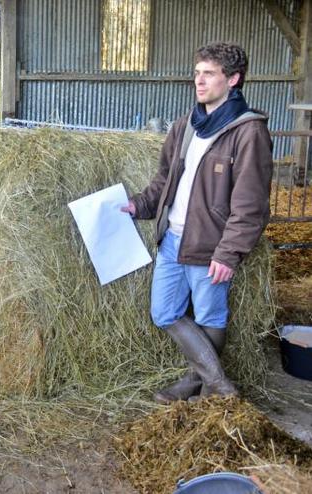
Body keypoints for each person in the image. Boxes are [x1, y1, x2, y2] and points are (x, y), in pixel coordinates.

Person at [122, 42, 273, 403]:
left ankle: (200, 386)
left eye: (209, 74)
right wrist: (139, 204)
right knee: (164, 312)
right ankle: (216, 384)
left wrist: (229, 253)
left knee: (209, 315)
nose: (199, 81)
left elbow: (251, 203)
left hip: (211, 246)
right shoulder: (186, 125)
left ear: (233, 79)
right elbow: (165, 179)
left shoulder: (248, 132)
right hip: (172, 239)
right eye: (197, 73)